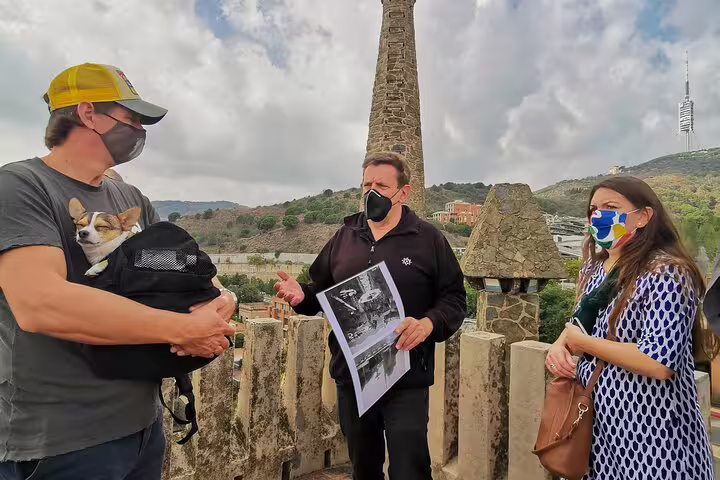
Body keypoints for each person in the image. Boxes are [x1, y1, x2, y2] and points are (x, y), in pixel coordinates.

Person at [0, 63, 237, 480]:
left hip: (142, 427)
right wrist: (181, 329)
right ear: (88, 114)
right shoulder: (21, 187)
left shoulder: (128, 197)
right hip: (62, 440)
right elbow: (40, 304)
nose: (140, 130)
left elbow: (178, 266)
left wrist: (220, 301)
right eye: (131, 118)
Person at [274, 151, 467, 480]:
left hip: (406, 375)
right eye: (366, 185)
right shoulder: (344, 237)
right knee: (363, 466)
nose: (371, 193)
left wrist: (427, 323)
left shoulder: (429, 240)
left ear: (403, 193)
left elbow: (454, 300)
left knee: (410, 468)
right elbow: (319, 291)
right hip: (353, 376)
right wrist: (300, 295)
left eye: (381, 185)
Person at [545, 176, 715, 480]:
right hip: (598, 432)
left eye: (611, 207)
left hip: (656, 439)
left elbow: (659, 362)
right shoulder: (593, 268)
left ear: (644, 216)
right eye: (594, 209)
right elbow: (580, 323)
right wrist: (560, 345)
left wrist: (584, 344)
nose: (599, 215)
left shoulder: (667, 272)